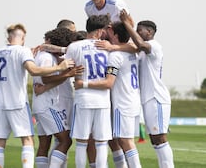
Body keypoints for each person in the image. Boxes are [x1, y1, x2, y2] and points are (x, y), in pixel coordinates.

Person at [0, 23, 74, 168]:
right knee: (28, 140)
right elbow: (33, 70)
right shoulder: (23, 51)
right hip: (17, 101)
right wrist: (60, 68)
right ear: (23, 37)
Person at [74, 22, 142, 168]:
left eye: (110, 32)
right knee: (113, 140)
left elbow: (108, 83)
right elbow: (136, 46)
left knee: (124, 141)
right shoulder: (132, 52)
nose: (106, 33)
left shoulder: (115, 56)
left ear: (115, 35)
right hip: (133, 100)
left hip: (121, 103)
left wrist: (83, 84)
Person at [120, 10, 175, 168]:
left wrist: (126, 23)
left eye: (139, 30)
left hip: (156, 98)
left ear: (149, 32)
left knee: (160, 138)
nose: (136, 32)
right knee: (155, 139)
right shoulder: (143, 51)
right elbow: (135, 45)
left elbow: (140, 44)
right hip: (148, 98)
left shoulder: (154, 46)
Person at [32, 28, 83, 168]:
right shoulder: (46, 57)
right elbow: (46, 78)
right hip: (48, 105)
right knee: (65, 140)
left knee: (44, 144)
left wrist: (67, 73)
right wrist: (67, 74)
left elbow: (49, 80)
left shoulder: (51, 57)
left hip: (42, 103)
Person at [66, 14, 112, 168]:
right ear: (99, 31)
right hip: (103, 101)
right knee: (101, 143)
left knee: (81, 143)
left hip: (83, 99)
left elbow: (67, 68)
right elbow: (110, 76)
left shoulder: (74, 47)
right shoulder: (108, 48)